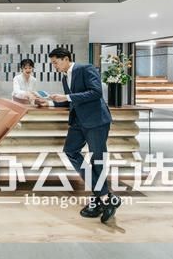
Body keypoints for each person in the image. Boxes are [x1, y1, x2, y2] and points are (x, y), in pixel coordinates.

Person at [34, 47, 121, 223]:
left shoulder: (86, 68)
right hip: (78, 122)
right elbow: (71, 100)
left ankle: (99, 200)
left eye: (55, 63)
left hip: (96, 121)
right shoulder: (64, 77)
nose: (55, 66)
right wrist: (49, 103)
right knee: (70, 151)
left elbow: (96, 92)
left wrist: (66, 97)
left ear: (65, 59)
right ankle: (105, 196)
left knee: (97, 159)